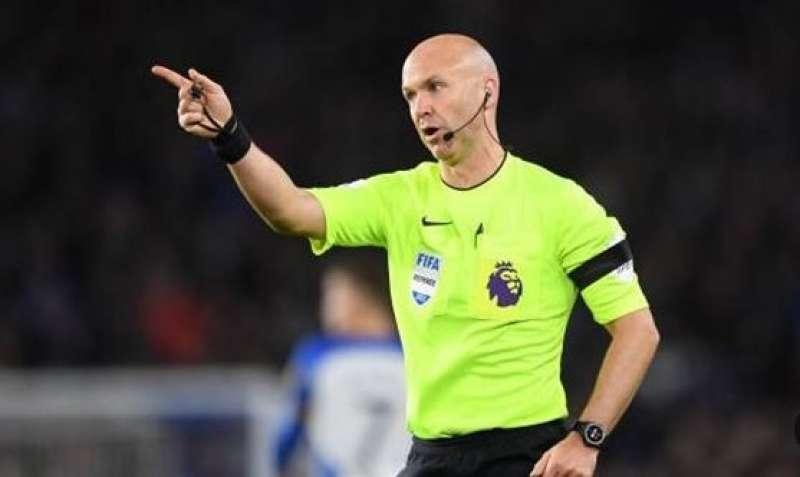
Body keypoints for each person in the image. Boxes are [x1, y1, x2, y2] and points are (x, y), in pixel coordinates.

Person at [152, 33, 660, 477]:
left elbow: (637, 330)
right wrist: (230, 137)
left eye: (435, 87)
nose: (421, 107)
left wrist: (587, 437)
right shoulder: (401, 198)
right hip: (431, 456)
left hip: (527, 456)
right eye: (410, 95)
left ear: (488, 90)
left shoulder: (560, 204)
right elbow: (292, 209)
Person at [273, 252, 409, 477]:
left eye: (329, 294)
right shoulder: (416, 355)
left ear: (357, 297)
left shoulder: (317, 356)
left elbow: (285, 437)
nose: (324, 307)